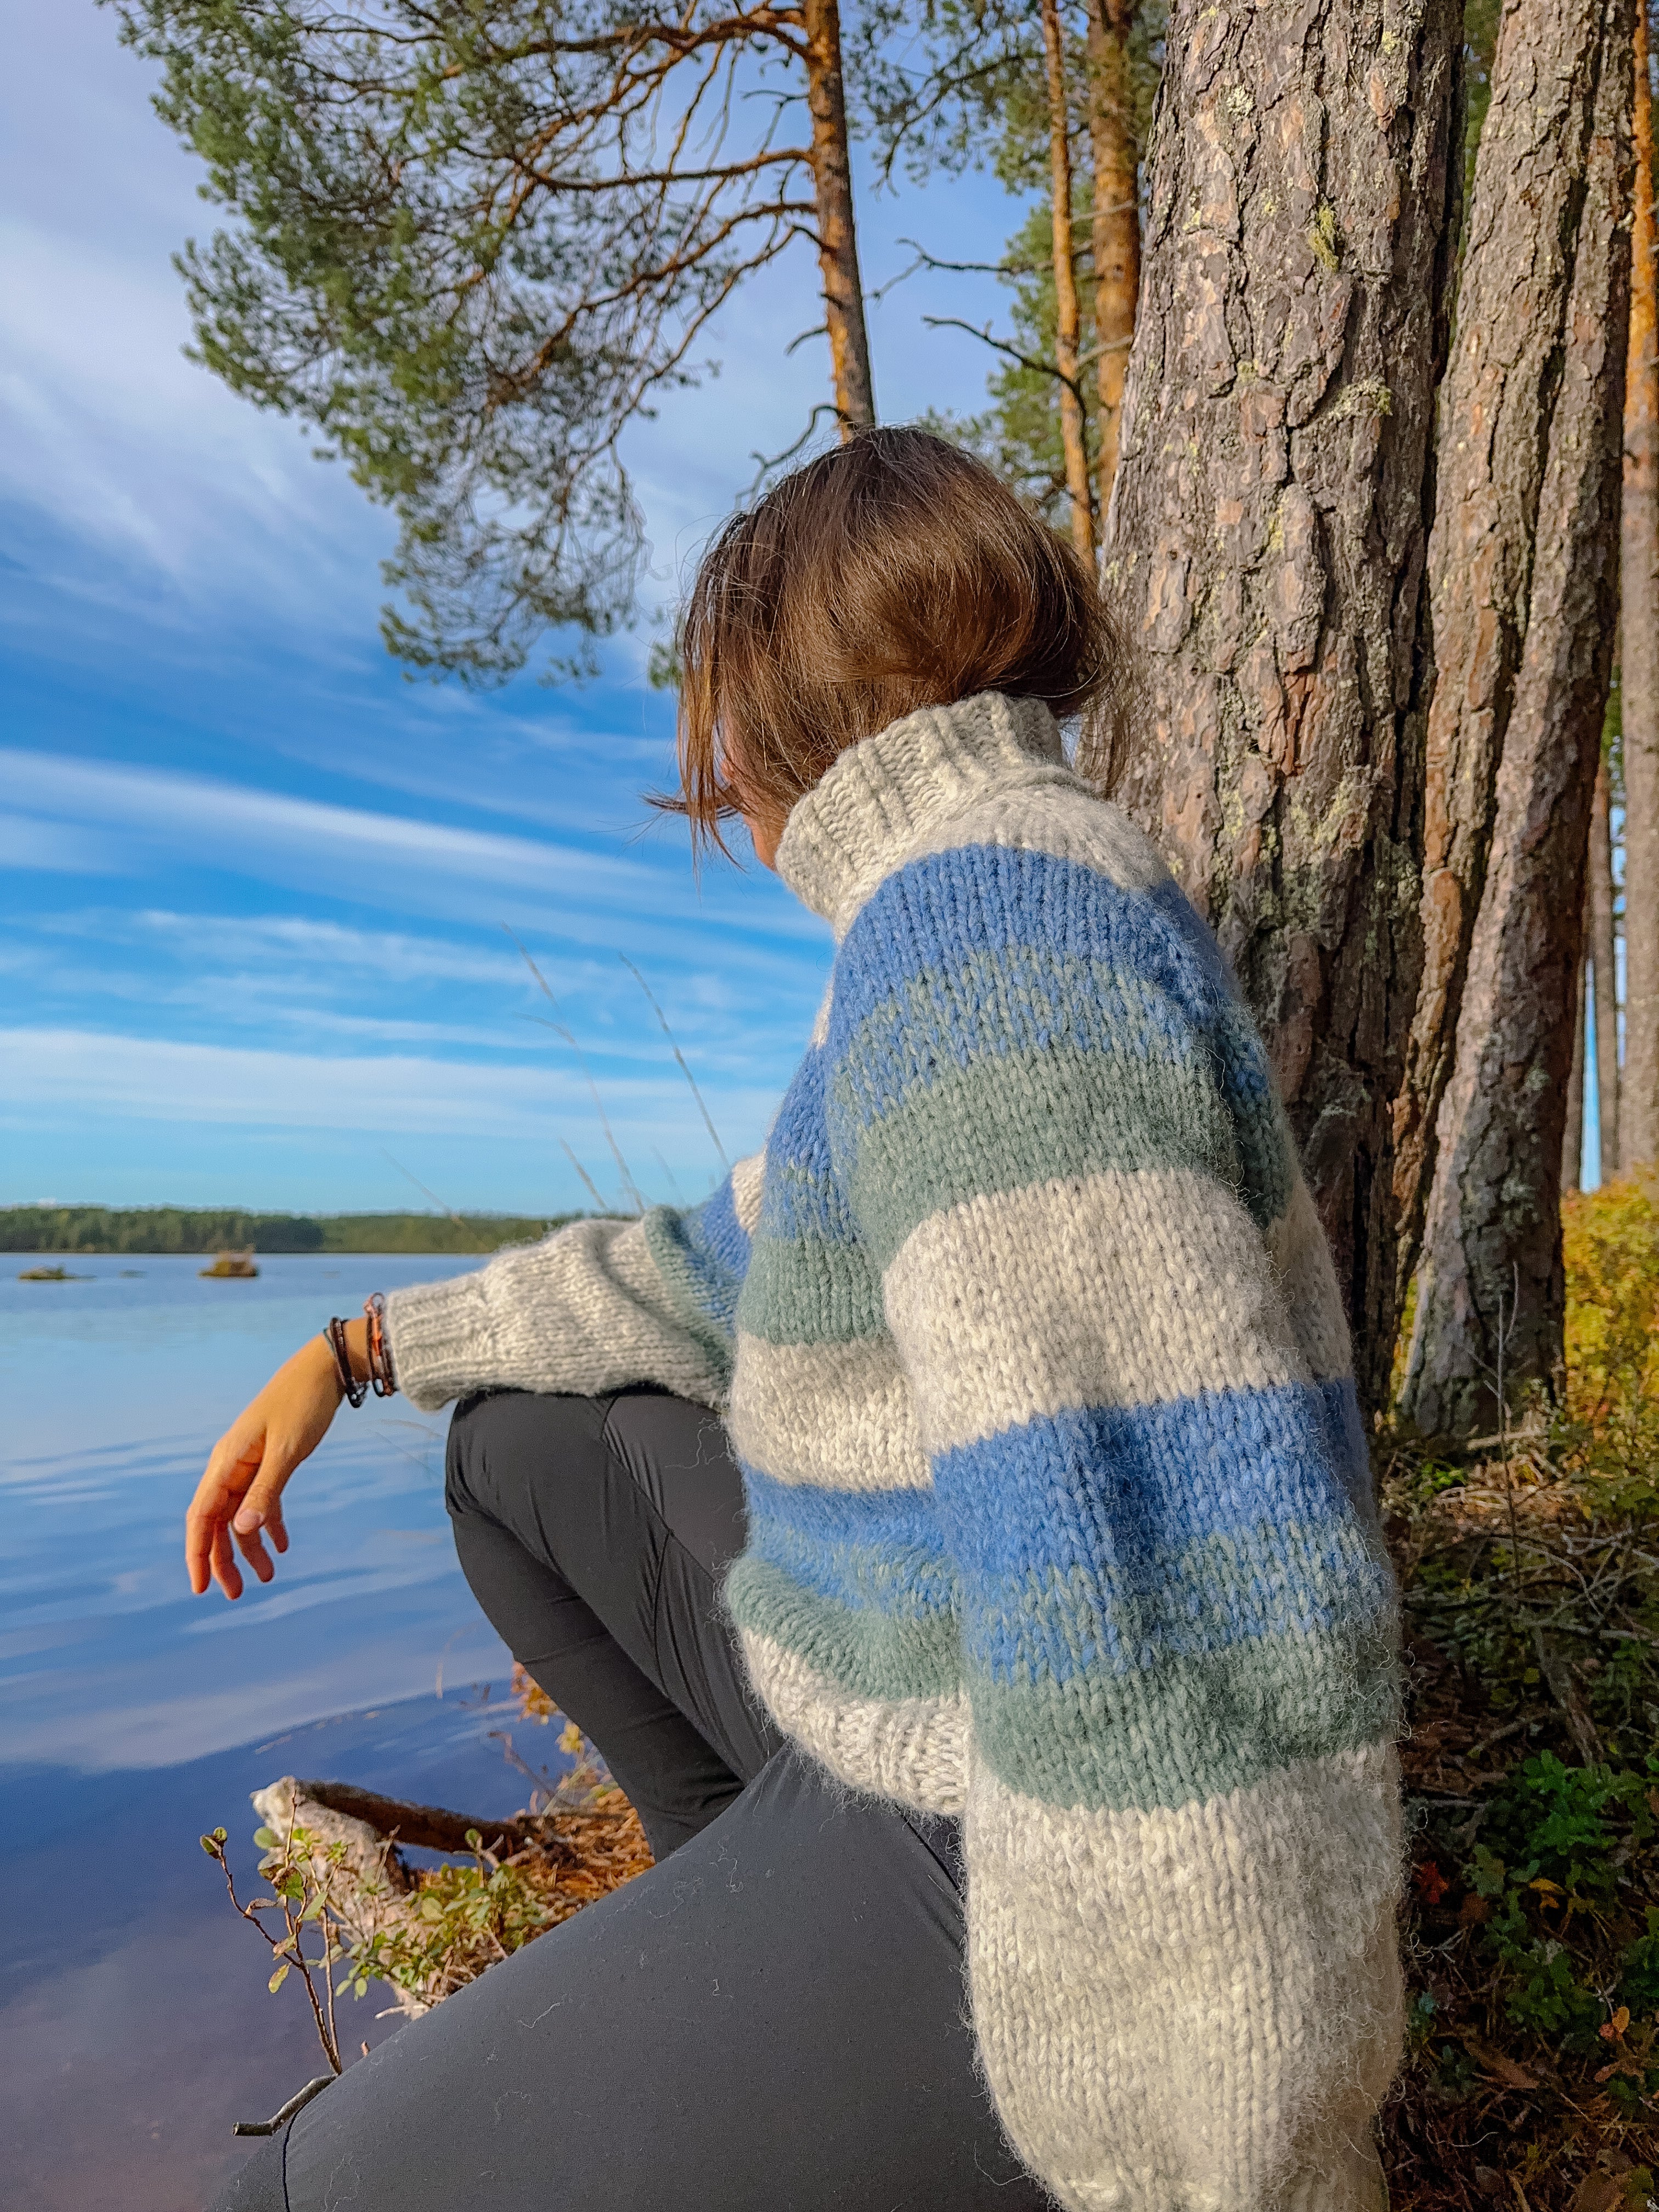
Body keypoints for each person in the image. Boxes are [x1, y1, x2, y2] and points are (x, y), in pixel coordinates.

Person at [187, 428, 1403, 2212]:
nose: (715, 786)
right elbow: (693, 1268)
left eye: (709, 733)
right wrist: (355, 1348)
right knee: (516, 1446)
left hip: (1024, 1876)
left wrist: (1231, 2155)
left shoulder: (978, 940)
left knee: (283, 2201)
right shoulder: (979, 899)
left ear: (757, 729)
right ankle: (732, 1921)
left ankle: (829, 2058)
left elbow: (1159, 1604)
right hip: (912, 1727)